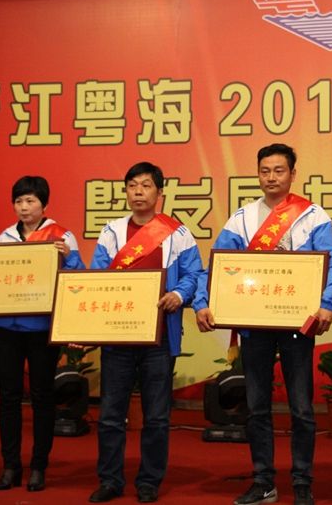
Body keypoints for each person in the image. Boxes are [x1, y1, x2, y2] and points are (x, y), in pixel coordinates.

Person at [194, 143, 332, 505]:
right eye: (265, 171)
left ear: (292, 174)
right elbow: (217, 266)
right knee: (257, 406)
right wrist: (202, 302)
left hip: (297, 324)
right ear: (257, 174)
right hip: (255, 324)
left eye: (279, 170)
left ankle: (302, 481)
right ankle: (263, 481)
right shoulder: (242, 218)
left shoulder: (312, 216)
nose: (271, 177)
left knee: (301, 408)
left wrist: (327, 305)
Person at [0, 176, 85, 492]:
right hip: (6, 329)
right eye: (18, 201)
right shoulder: (5, 236)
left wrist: (70, 256)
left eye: (30, 201)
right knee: (8, 398)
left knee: (42, 397)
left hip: (41, 329)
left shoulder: (62, 235)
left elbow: (77, 280)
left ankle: (39, 466)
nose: (24, 207)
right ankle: (10, 466)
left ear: (44, 204)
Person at [87, 162, 203, 504]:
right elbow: (96, 279)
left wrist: (178, 294)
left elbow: (195, 275)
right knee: (111, 414)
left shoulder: (178, 233)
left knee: (156, 416)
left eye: (146, 185)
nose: (138, 192)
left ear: (159, 192)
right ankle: (110, 480)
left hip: (159, 337)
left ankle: (149, 481)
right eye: (132, 185)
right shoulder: (111, 232)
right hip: (117, 337)